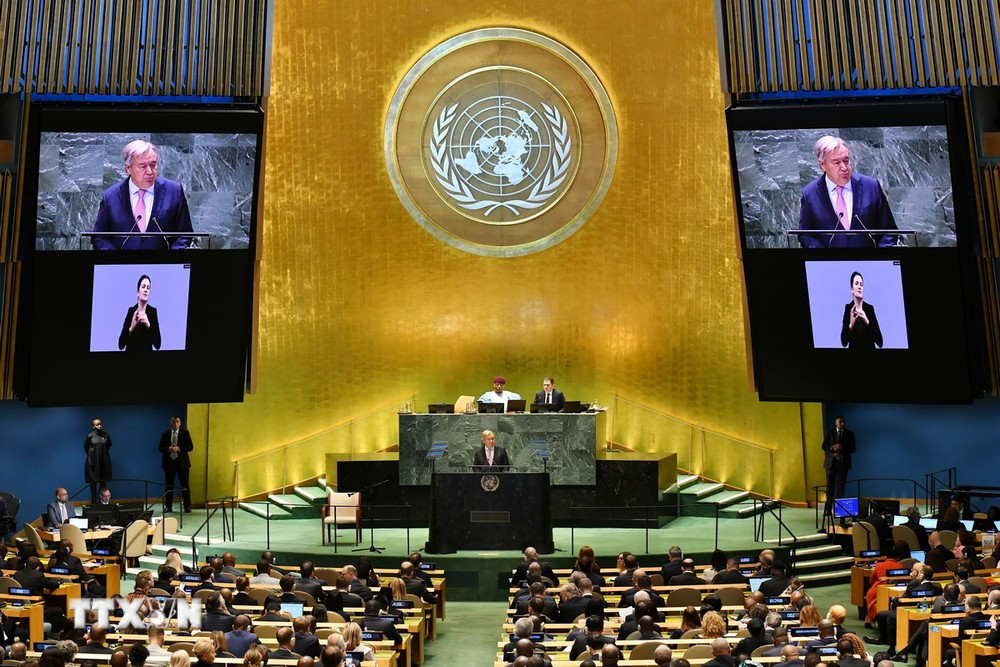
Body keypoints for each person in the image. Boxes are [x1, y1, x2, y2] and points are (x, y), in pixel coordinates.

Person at [797, 135, 898, 248]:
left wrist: (882, 257)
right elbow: (806, 235)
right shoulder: (810, 193)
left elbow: (889, 230)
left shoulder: (871, 186)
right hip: (830, 263)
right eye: (836, 162)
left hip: (870, 262)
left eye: (846, 160)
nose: (844, 167)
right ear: (822, 165)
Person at [92, 139, 193, 250]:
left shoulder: (174, 191)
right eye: (143, 166)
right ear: (128, 168)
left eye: (153, 165)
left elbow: (185, 233)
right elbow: (99, 237)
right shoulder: (110, 196)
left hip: (162, 265)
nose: (150, 171)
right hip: (123, 265)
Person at [159, 415, 194, 512]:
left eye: (177, 421)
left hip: (182, 463)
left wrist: (179, 449)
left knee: (185, 485)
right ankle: (168, 506)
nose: (175, 424)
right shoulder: (165, 434)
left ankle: (187, 506)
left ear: (180, 423)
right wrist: (168, 449)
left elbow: (190, 447)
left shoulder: (185, 433)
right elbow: (160, 448)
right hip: (169, 463)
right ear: (171, 423)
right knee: (169, 485)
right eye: (174, 422)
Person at [821, 415, 855, 513]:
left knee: (841, 488)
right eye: (840, 422)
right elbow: (824, 446)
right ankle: (828, 509)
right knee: (829, 487)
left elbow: (853, 449)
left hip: (843, 464)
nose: (842, 424)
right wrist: (832, 448)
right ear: (836, 422)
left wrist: (842, 447)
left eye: (844, 422)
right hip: (830, 464)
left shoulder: (850, 434)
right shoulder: (830, 433)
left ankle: (840, 511)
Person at [840, 272, 883, 350]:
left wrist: (866, 320)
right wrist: (851, 324)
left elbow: (880, 342)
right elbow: (844, 342)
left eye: (861, 284)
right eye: (856, 284)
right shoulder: (848, 309)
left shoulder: (869, 309)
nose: (859, 287)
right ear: (852, 289)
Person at [119, 274, 161, 352]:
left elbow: (158, 344)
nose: (146, 290)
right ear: (138, 292)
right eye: (143, 287)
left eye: (148, 288)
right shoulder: (131, 311)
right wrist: (132, 326)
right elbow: (121, 345)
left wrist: (148, 324)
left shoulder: (152, 312)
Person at [83, 418, 113, 503]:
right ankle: (93, 504)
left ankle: (104, 504)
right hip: (92, 465)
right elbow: (85, 447)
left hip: (103, 464)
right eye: (97, 424)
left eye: (100, 424)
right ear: (93, 426)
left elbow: (108, 446)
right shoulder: (90, 436)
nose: (99, 426)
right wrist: (92, 456)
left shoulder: (106, 435)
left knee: (103, 485)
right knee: (93, 486)